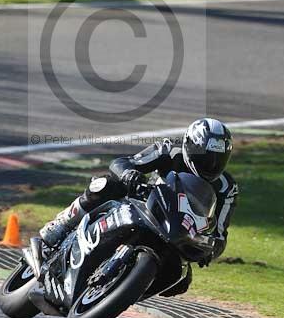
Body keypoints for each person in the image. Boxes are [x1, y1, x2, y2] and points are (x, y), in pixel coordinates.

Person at [36, 118, 238, 296]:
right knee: (105, 185)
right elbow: (122, 162)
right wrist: (129, 174)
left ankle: (122, 293)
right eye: (205, 157)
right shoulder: (168, 151)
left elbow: (220, 233)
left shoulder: (227, 187)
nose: (210, 165)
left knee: (180, 280)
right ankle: (61, 225)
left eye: (217, 160)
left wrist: (209, 251)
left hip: (177, 230)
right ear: (190, 145)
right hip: (142, 205)